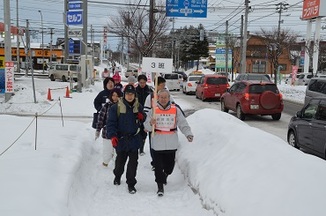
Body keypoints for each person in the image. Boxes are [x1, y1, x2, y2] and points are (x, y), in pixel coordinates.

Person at [144, 89, 193, 197]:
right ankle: (160, 186)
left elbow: (182, 123)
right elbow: (146, 127)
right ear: (158, 98)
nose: (163, 99)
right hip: (157, 143)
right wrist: (150, 123)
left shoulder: (175, 110)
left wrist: (188, 134)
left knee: (169, 167)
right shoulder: (154, 110)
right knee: (158, 166)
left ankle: (165, 174)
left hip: (171, 142)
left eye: (165, 97)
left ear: (169, 98)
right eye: (161, 97)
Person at [106, 84, 145, 194]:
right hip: (121, 139)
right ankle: (117, 175)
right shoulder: (116, 107)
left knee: (133, 164)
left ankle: (131, 184)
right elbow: (111, 123)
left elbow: (144, 120)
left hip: (134, 139)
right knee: (120, 163)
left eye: (132, 94)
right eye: (128, 94)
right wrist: (113, 136)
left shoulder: (138, 106)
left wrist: (143, 117)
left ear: (134, 95)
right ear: (124, 94)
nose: (130, 96)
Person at [143, 76, 175, 170]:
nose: (164, 87)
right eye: (162, 85)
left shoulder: (168, 96)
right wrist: (148, 122)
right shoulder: (151, 97)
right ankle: (155, 162)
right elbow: (146, 111)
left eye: (165, 85)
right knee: (154, 144)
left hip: (166, 125)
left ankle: (165, 162)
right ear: (156, 85)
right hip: (154, 126)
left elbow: (174, 108)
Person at [95, 88, 122, 167]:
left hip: (119, 133)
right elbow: (101, 118)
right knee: (107, 151)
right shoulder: (106, 106)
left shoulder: (123, 107)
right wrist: (98, 130)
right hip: (107, 133)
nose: (115, 97)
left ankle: (117, 165)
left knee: (119, 152)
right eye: (113, 95)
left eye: (117, 96)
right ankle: (105, 163)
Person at [135, 74, 153, 155]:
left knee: (144, 131)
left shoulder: (149, 90)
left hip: (147, 113)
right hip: (137, 113)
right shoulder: (135, 91)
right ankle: (137, 147)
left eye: (144, 82)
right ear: (138, 82)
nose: (142, 84)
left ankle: (141, 149)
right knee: (137, 131)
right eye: (140, 82)